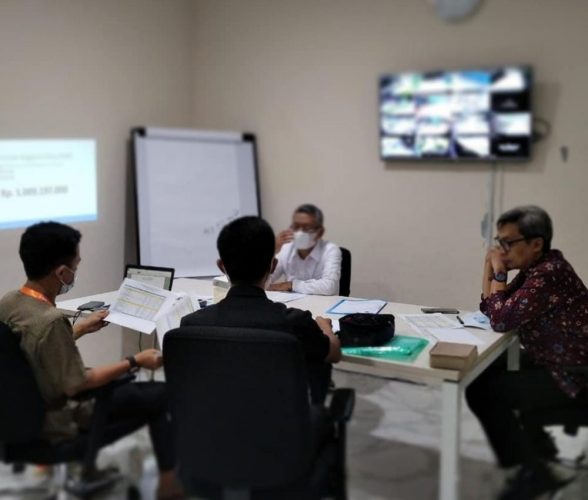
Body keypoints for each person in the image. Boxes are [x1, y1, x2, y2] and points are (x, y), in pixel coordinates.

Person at [0, 222, 182, 500]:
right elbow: (77, 385)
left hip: (22, 412)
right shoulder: (51, 322)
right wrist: (136, 360)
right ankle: (169, 485)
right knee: (158, 395)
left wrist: (81, 328)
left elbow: (34, 349)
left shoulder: (11, 302)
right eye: (76, 265)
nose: (76, 272)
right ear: (62, 272)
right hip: (60, 419)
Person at [465, 205, 588, 499]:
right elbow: (493, 305)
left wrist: (497, 270)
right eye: (499, 242)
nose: (502, 249)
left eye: (508, 242)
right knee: (481, 372)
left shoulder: (549, 274)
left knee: (486, 391)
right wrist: (491, 267)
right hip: (553, 360)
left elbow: (501, 318)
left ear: (536, 244)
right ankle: (535, 455)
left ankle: (533, 473)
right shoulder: (537, 268)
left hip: (573, 373)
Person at [181, 216, 341, 404]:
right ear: (273, 266)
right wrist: (325, 328)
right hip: (283, 427)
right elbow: (334, 353)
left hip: (215, 426)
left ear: (221, 266)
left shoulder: (191, 325)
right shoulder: (296, 323)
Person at [269, 204, 342, 295]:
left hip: (321, 306)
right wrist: (272, 251)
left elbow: (330, 287)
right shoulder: (286, 249)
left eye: (306, 228)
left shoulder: (330, 250)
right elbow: (265, 282)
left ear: (320, 232)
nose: (300, 232)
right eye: (296, 227)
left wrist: (292, 285)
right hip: (293, 305)